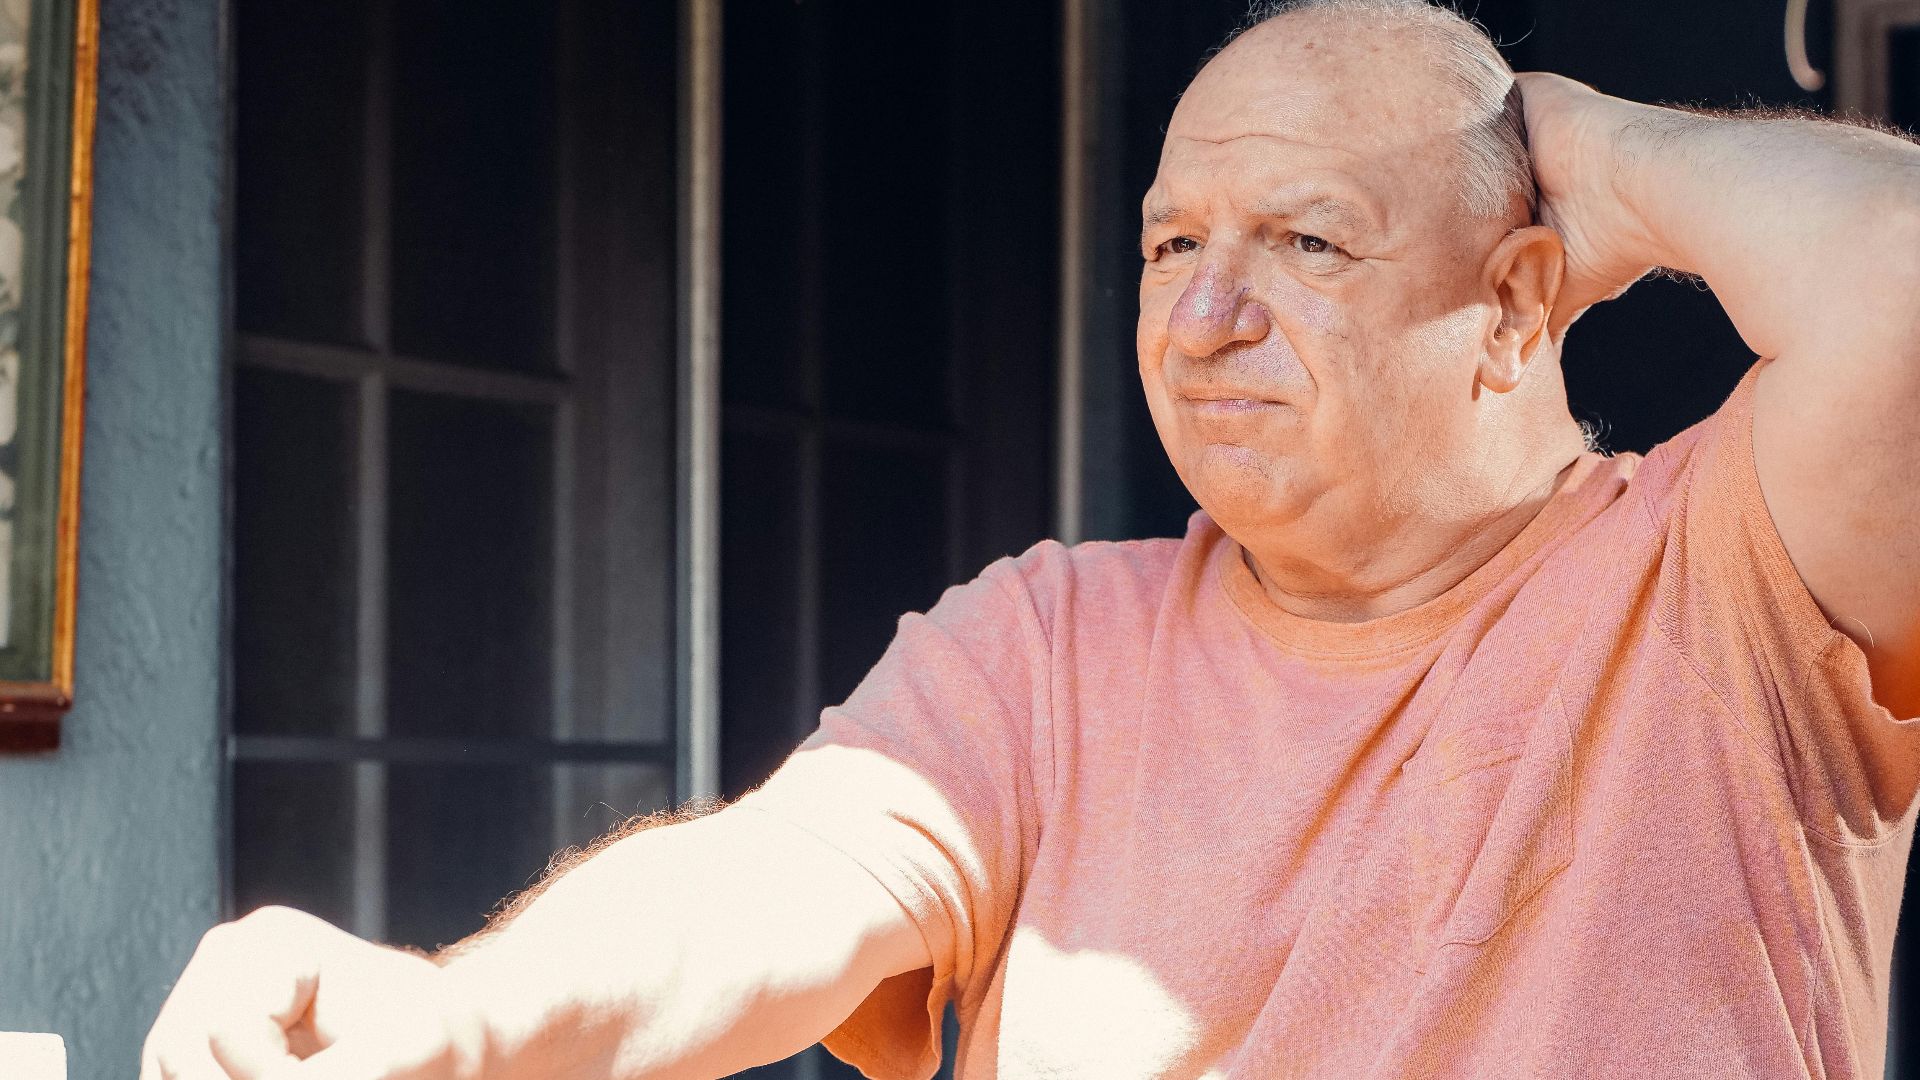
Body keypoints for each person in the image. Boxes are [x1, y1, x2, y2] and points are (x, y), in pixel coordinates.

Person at [144, 0, 1920, 1076]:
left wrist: (1595, 156)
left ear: (1521, 305)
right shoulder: (1053, 641)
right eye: (1168, 245)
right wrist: (457, 1023)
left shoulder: (1726, 572)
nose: (1204, 315)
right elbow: (770, 886)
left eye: (1305, 243)